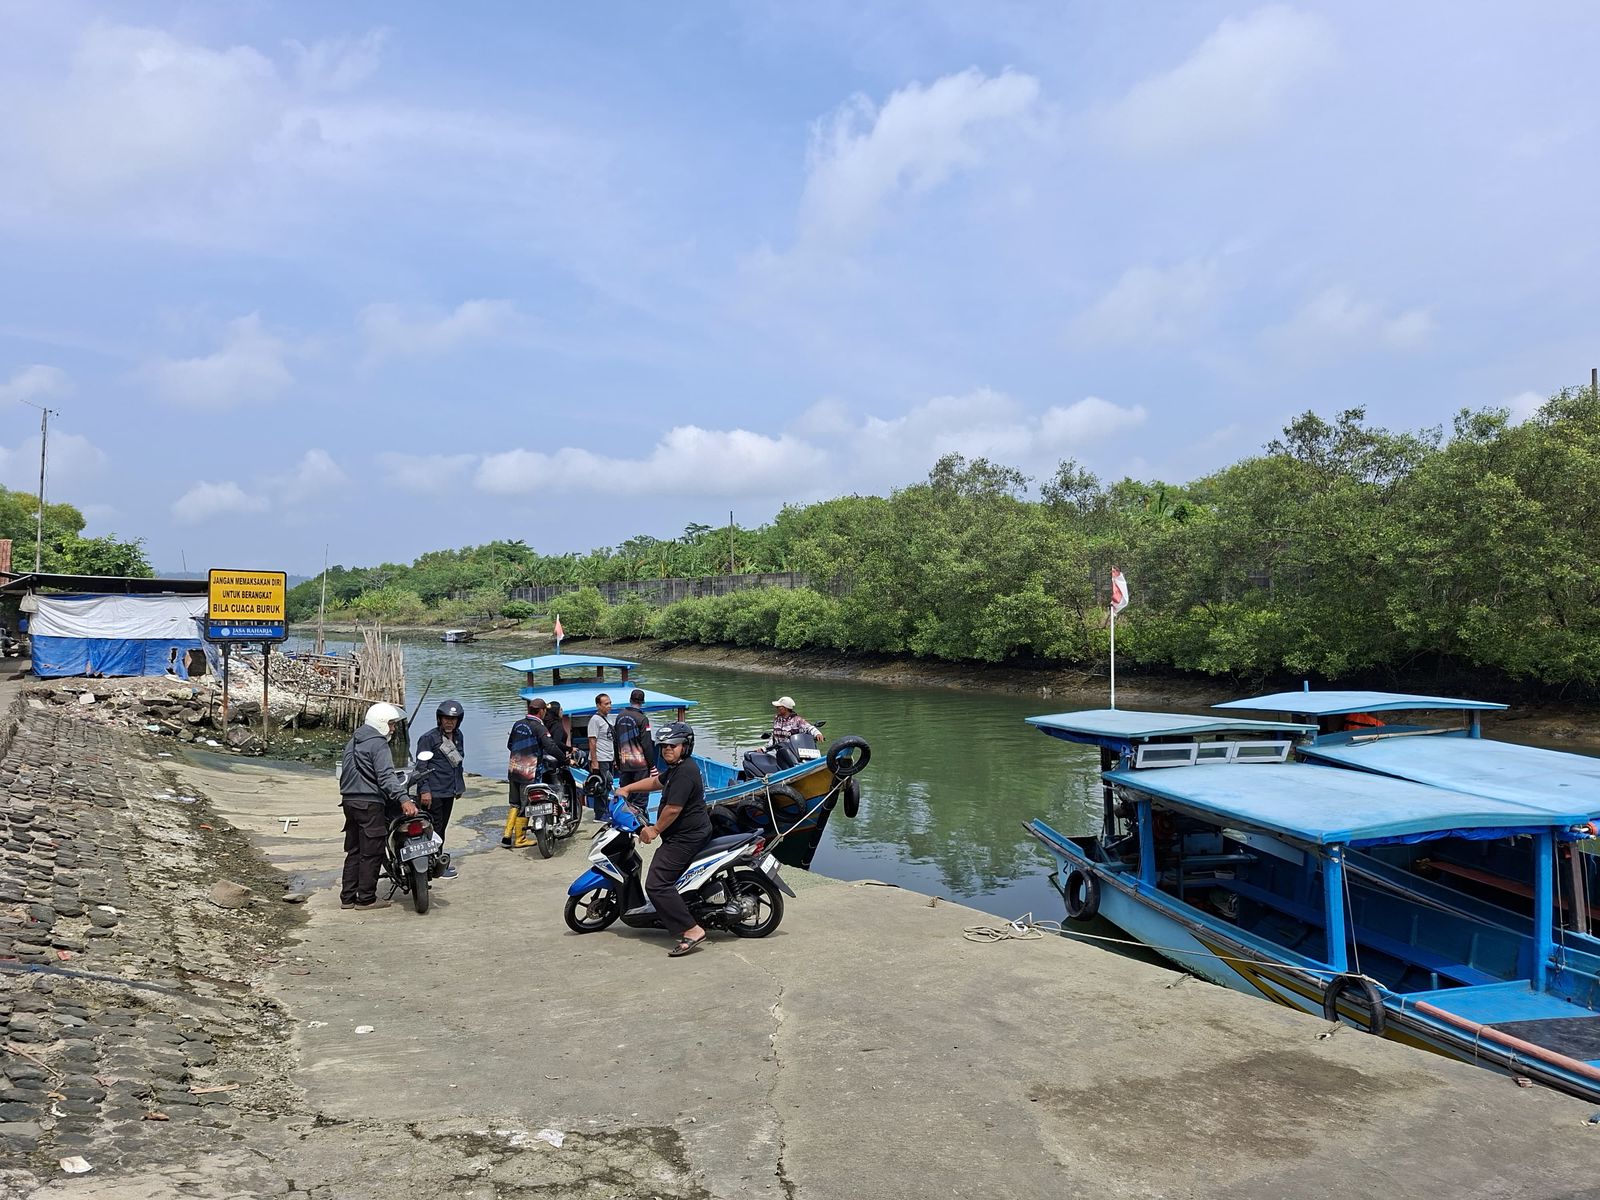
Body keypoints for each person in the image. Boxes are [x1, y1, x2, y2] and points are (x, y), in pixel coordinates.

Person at [616, 721, 711, 957]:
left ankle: (692, 929)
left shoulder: (685, 773)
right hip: (685, 834)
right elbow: (657, 782)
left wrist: (654, 830)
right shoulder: (678, 768)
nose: (667, 749)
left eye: (673, 745)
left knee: (656, 884)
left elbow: (673, 809)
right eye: (664, 746)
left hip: (685, 838)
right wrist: (627, 789)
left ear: (685, 746)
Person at [338, 702, 415, 910]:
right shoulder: (378, 744)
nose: (392, 728)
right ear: (380, 723)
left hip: (349, 801)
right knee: (372, 851)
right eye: (390, 724)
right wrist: (403, 799)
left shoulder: (353, 741)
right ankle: (366, 898)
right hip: (369, 803)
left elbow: (344, 772)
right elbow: (386, 777)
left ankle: (347, 897)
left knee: (354, 850)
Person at [415, 700, 465, 880]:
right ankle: (432, 865)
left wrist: (459, 787)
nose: (449, 722)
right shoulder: (428, 738)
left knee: (441, 828)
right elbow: (421, 766)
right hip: (433, 792)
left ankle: (437, 862)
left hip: (448, 792)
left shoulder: (458, 736)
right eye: (446, 718)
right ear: (439, 719)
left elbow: (458, 764)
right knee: (433, 829)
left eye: (453, 719)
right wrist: (425, 790)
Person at [505, 698, 561, 845]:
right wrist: (564, 759)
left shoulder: (518, 724)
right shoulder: (539, 728)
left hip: (514, 769)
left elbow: (510, 744)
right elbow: (550, 747)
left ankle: (506, 836)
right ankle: (520, 838)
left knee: (514, 803)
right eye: (545, 711)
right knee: (526, 805)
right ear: (541, 711)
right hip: (529, 773)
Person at [614, 688, 657, 788]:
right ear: (642, 702)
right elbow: (646, 744)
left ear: (630, 700)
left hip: (624, 764)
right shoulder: (642, 719)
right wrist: (652, 766)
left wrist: (618, 761)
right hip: (640, 766)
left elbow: (616, 741)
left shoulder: (619, 716)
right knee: (640, 795)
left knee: (625, 793)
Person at [585, 692, 617, 814]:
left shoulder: (608, 718)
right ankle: (600, 814)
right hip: (600, 758)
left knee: (608, 785)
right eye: (606, 704)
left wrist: (614, 757)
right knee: (601, 787)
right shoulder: (595, 720)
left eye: (610, 703)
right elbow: (592, 741)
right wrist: (594, 762)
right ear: (598, 705)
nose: (609, 706)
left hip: (609, 757)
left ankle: (605, 811)